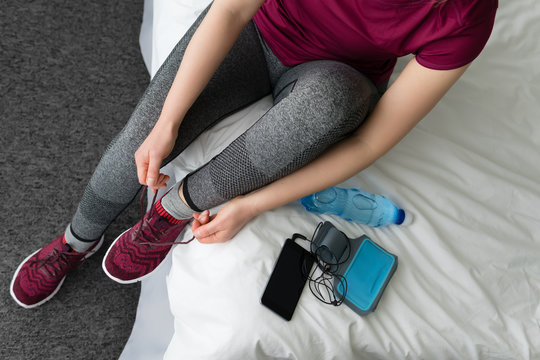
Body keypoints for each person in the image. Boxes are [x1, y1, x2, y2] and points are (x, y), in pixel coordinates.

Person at [10, 0, 498, 308]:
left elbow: (369, 142)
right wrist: (166, 125)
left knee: (330, 106)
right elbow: (229, 12)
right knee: (137, 144)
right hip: (256, 26)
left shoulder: (466, 16)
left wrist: (251, 204)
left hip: (335, 77)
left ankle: (172, 210)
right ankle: (77, 241)